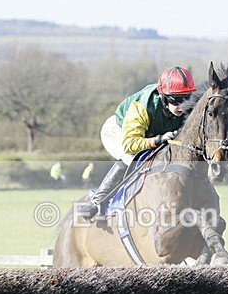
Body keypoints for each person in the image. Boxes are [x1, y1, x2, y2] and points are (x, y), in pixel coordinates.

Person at [75, 66, 195, 219]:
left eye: (186, 99)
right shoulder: (142, 107)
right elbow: (130, 145)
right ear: (164, 96)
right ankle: (97, 201)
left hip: (150, 133)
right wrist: (158, 140)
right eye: (176, 100)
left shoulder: (186, 108)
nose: (181, 105)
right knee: (131, 157)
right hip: (119, 132)